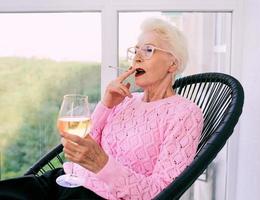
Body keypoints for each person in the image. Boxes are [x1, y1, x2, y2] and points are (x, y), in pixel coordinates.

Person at [0, 18, 203, 200]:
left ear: (172, 63)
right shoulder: (125, 100)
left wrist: (102, 165)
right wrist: (106, 104)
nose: (137, 58)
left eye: (148, 50)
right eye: (135, 50)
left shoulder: (184, 113)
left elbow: (161, 192)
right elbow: (83, 146)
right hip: (65, 180)